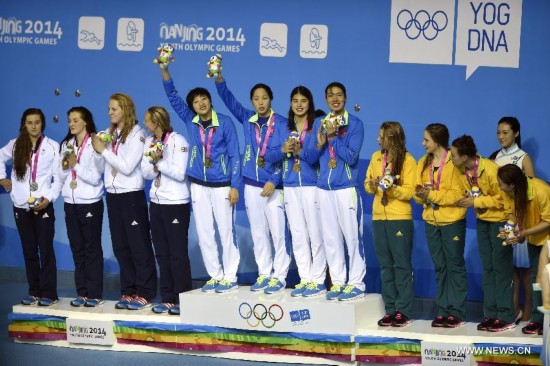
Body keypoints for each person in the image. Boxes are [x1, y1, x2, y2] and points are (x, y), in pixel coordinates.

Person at [161, 62, 242, 294]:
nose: (201, 103)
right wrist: (164, 70)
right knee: (205, 231)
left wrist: (235, 185)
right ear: (192, 107)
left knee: (226, 231)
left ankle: (230, 275)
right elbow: (173, 96)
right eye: (196, 101)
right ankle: (215, 275)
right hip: (198, 184)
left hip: (222, 185)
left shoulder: (225, 122)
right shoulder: (190, 120)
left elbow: (235, 154)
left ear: (210, 100)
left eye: (203, 98)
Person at [214, 72, 289, 294]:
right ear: (252, 101)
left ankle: (280, 276)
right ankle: (265, 274)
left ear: (271, 99)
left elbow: (287, 154)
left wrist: (274, 180)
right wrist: (218, 78)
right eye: (256, 98)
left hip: (273, 186)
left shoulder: (283, 123)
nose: (260, 102)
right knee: (258, 232)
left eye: (264, 98)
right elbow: (228, 100)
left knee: (278, 233)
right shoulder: (248, 119)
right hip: (250, 184)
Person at [91, 93, 157, 310]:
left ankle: (145, 291)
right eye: (109, 109)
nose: (109, 113)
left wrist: (104, 151)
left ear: (126, 110)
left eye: (114, 109)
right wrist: (98, 151)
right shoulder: (110, 134)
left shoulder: (138, 134)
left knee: (138, 246)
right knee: (121, 246)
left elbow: (128, 167)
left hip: (131, 196)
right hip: (112, 195)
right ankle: (129, 290)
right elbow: (101, 168)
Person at [302, 82, 366, 301]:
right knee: (330, 238)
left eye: (339, 95)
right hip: (323, 189)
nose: (335, 99)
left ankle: (356, 282)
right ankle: (338, 282)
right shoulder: (319, 122)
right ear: (326, 99)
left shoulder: (354, 124)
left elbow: (352, 157)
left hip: (345, 188)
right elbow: (309, 158)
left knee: (352, 238)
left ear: (345, 98)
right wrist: (320, 144)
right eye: (331, 95)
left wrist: (333, 138)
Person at [264, 86, 326, 297]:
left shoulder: (317, 125)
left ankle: (318, 280)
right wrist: (283, 150)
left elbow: (316, 156)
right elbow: (268, 155)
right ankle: (305, 278)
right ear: (290, 104)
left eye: (303, 100)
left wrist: (301, 151)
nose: (299, 104)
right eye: (295, 101)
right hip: (290, 185)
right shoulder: (283, 126)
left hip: (311, 185)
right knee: (298, 234)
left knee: (315, 233)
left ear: (310, 104)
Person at [451, 135, 515, 331]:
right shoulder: (462, 171)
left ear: (464, 156)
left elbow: (503, 200)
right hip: (483, 222)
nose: (450, 159)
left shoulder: (491, 169)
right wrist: (467, 199)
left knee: (501, 269)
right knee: (488, 268)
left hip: (502, 222)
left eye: (453, 155)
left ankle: (505, 316)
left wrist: (476, 202)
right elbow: (473, 194)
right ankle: (490, 314)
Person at [0, 108, 62, 306]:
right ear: (24, 125)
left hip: (42, 206)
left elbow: (58, 179)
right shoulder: (16, 145)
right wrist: (2, 177)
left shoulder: (52, 146)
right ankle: (34, 291)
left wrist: (48, 198)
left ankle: (49, 293)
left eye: (37, 122)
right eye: (30, 122)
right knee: (29, 251)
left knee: (45, 250)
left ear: (42, 124)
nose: (34, 126)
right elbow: (0, 157)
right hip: (20, 206)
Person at [414, 123, 467, 328]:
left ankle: (457, 312)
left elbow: (457, 194)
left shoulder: (453, 162)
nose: (423, 143)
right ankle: (443, 310)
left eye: (426, 140)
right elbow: (417, 192)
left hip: (452, 221)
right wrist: (421, 196)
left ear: (438, 141)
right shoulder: (423, 163)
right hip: (431, 220)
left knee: (454, 266)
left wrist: (431, 194)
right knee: (440, 267)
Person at [141, 106, 192, 315]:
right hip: (156, 202)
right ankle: (168, 297)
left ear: (157, 121)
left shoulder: (178, 141)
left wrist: (159, 162)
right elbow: (146, 172)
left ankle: (183, 299)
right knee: (162, 253)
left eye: (147, 121)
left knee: (177, 254)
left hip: (176, 203)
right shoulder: (150, 142)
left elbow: (180, 174)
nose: (145, 124)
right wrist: (155, 165)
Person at [364, 121, 416, 326]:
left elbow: (410, 191)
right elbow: (367, 184)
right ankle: (390, 309)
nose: (378, 139)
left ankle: (404, 310)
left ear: (392, 138)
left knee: (401, 266)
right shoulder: (377, 157)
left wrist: (392, 188)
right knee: (386, 266)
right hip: (379, 217)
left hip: (399, 218)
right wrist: (373, 184)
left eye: (381, 136)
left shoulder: (408, 161)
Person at [489, 116, 535, 323]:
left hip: (521, 220)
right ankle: (513, 309)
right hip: (501, 221)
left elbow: (531, 192)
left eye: (505, 132)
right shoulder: (494, 158)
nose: (501, 136)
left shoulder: (524, 158)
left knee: (525, 270)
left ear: (516, 133)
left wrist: (520, 223)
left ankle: (529, 313)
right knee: (509, 269)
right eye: (498, 132)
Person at [59, 107, 105, 308]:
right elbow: (61, 176)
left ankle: (94, 293)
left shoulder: (95, 143)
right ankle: (82, 292)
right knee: (77, 249)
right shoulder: (66, 144)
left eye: (75, 120)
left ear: (85, 121)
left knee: (91, 249)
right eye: (70, 120)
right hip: (70, 203)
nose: (71, 123)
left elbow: (95, 178)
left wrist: (75, 165)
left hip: (90, 203)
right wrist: (64, 167)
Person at [497, 164, 550, 335]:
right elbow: (512, 215)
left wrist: (524, 232)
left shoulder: (541, 191)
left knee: (546, 281)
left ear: (512, 184)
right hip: (533, 240)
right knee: (536, 281)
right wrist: (509, 229)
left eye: (501, 184)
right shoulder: (511, 192)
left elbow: (548, 220)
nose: (499, 187)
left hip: (547, 241)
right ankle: (537, 320)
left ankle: (545, 322)